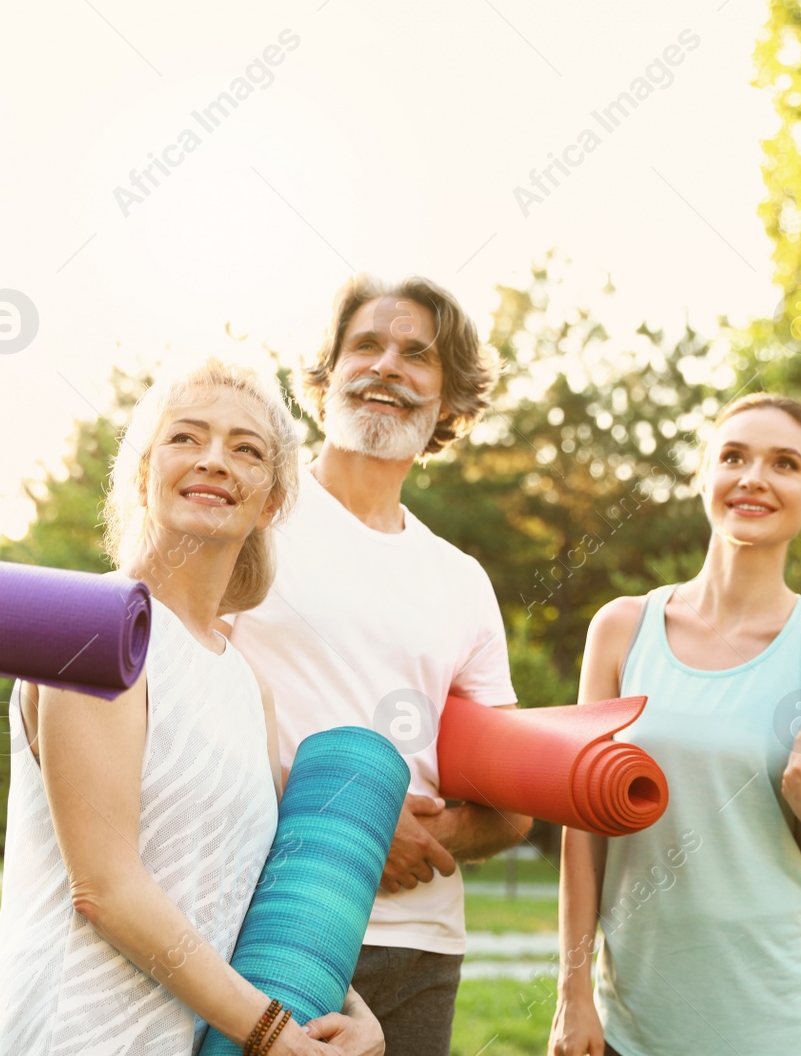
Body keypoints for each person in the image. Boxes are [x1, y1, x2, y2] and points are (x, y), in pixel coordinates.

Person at [0, 360, 384, 1056]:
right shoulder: (91, 624)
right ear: (142, 474)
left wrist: (355, 1009)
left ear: (271, 502)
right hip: (74, 1033)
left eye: (246, 449)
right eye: (186, 437)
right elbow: (105, 886)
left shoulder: (246, 684)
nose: (214, 460)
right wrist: (269, 1032)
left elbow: (264, 888)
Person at [547, 393, 801, 1056]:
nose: (754, 477)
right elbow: (583, 822)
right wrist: (572, 992)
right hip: (633, 1026)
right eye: (733, 456)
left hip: (789, 1023)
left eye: (784, 463)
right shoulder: (621, 629)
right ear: (703, 476)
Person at [227, 275, 536, 1056]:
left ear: (450, 400)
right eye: (365, 345)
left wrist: (441, 836)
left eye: (416, 354)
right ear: (325, 376)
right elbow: (173, 703)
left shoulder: (462, 579)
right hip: (259, 914)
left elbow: (513, 804)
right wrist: (353, 826)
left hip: (418, 943)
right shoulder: (247, 516)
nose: (386, 366)